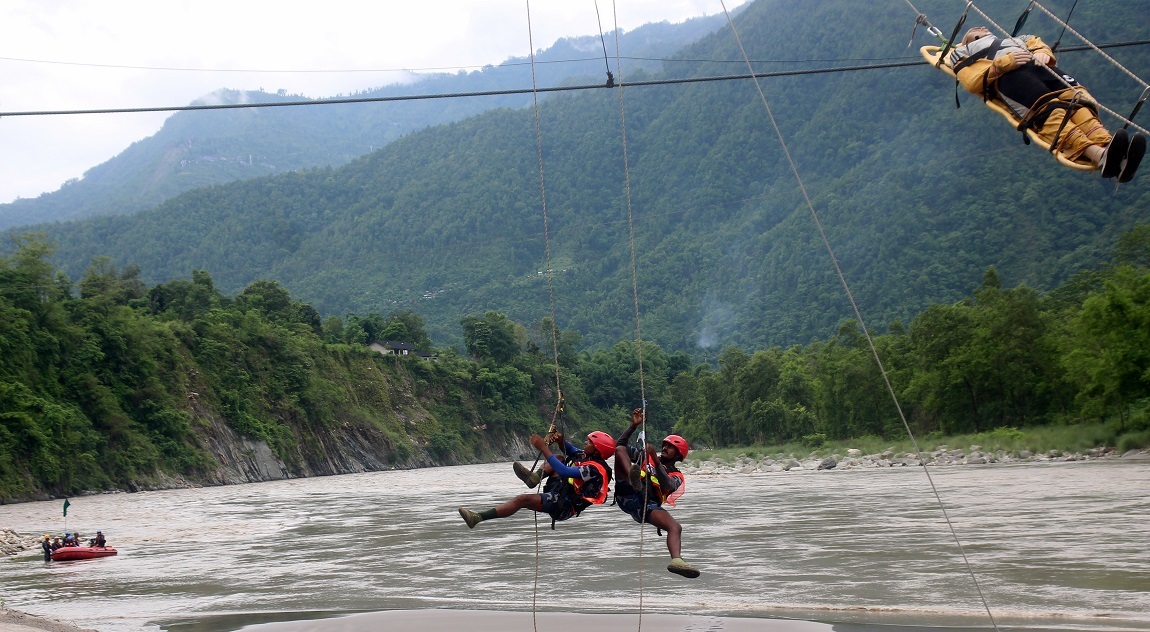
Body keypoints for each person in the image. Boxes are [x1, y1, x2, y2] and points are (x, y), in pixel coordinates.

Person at [947, 26, 1145, 183]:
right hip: (1011, 78)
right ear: (968, 39)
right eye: (975, 29)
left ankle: (1112, 149)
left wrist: (1043, 53)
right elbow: (970, 80)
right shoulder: (961, 52)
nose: (982, 27)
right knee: (1049, 110)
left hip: (1041, 68)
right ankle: (1098, 154)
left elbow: (1036, 42)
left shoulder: (1017, 39)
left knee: (1078, 102)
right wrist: (1004, 63)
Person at [458, 430, 615, 528]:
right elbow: (570, 450)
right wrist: (560, 440)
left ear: (597, 449)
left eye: (589, 442)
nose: (586, 442)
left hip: (564, 505)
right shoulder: (588, 456)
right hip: (562, 490)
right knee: (559, 458)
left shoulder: (593, 469)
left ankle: (478, 517)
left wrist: (543, 448)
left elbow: (564, 471)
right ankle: (534, 478)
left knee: (522, 500)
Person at [614, 408, 699, 578]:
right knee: (620, 450)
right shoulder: (645, 456)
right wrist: (633, 426)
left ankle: (677, 561)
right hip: (627, 493)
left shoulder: (676, 475)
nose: (665, 448)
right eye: (665, 445)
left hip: (646, 505)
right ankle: (633, 478)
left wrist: (656, 460)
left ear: (678, 455)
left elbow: (668, 483)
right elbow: (620, 445)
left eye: (671, 447)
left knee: (675, 527)